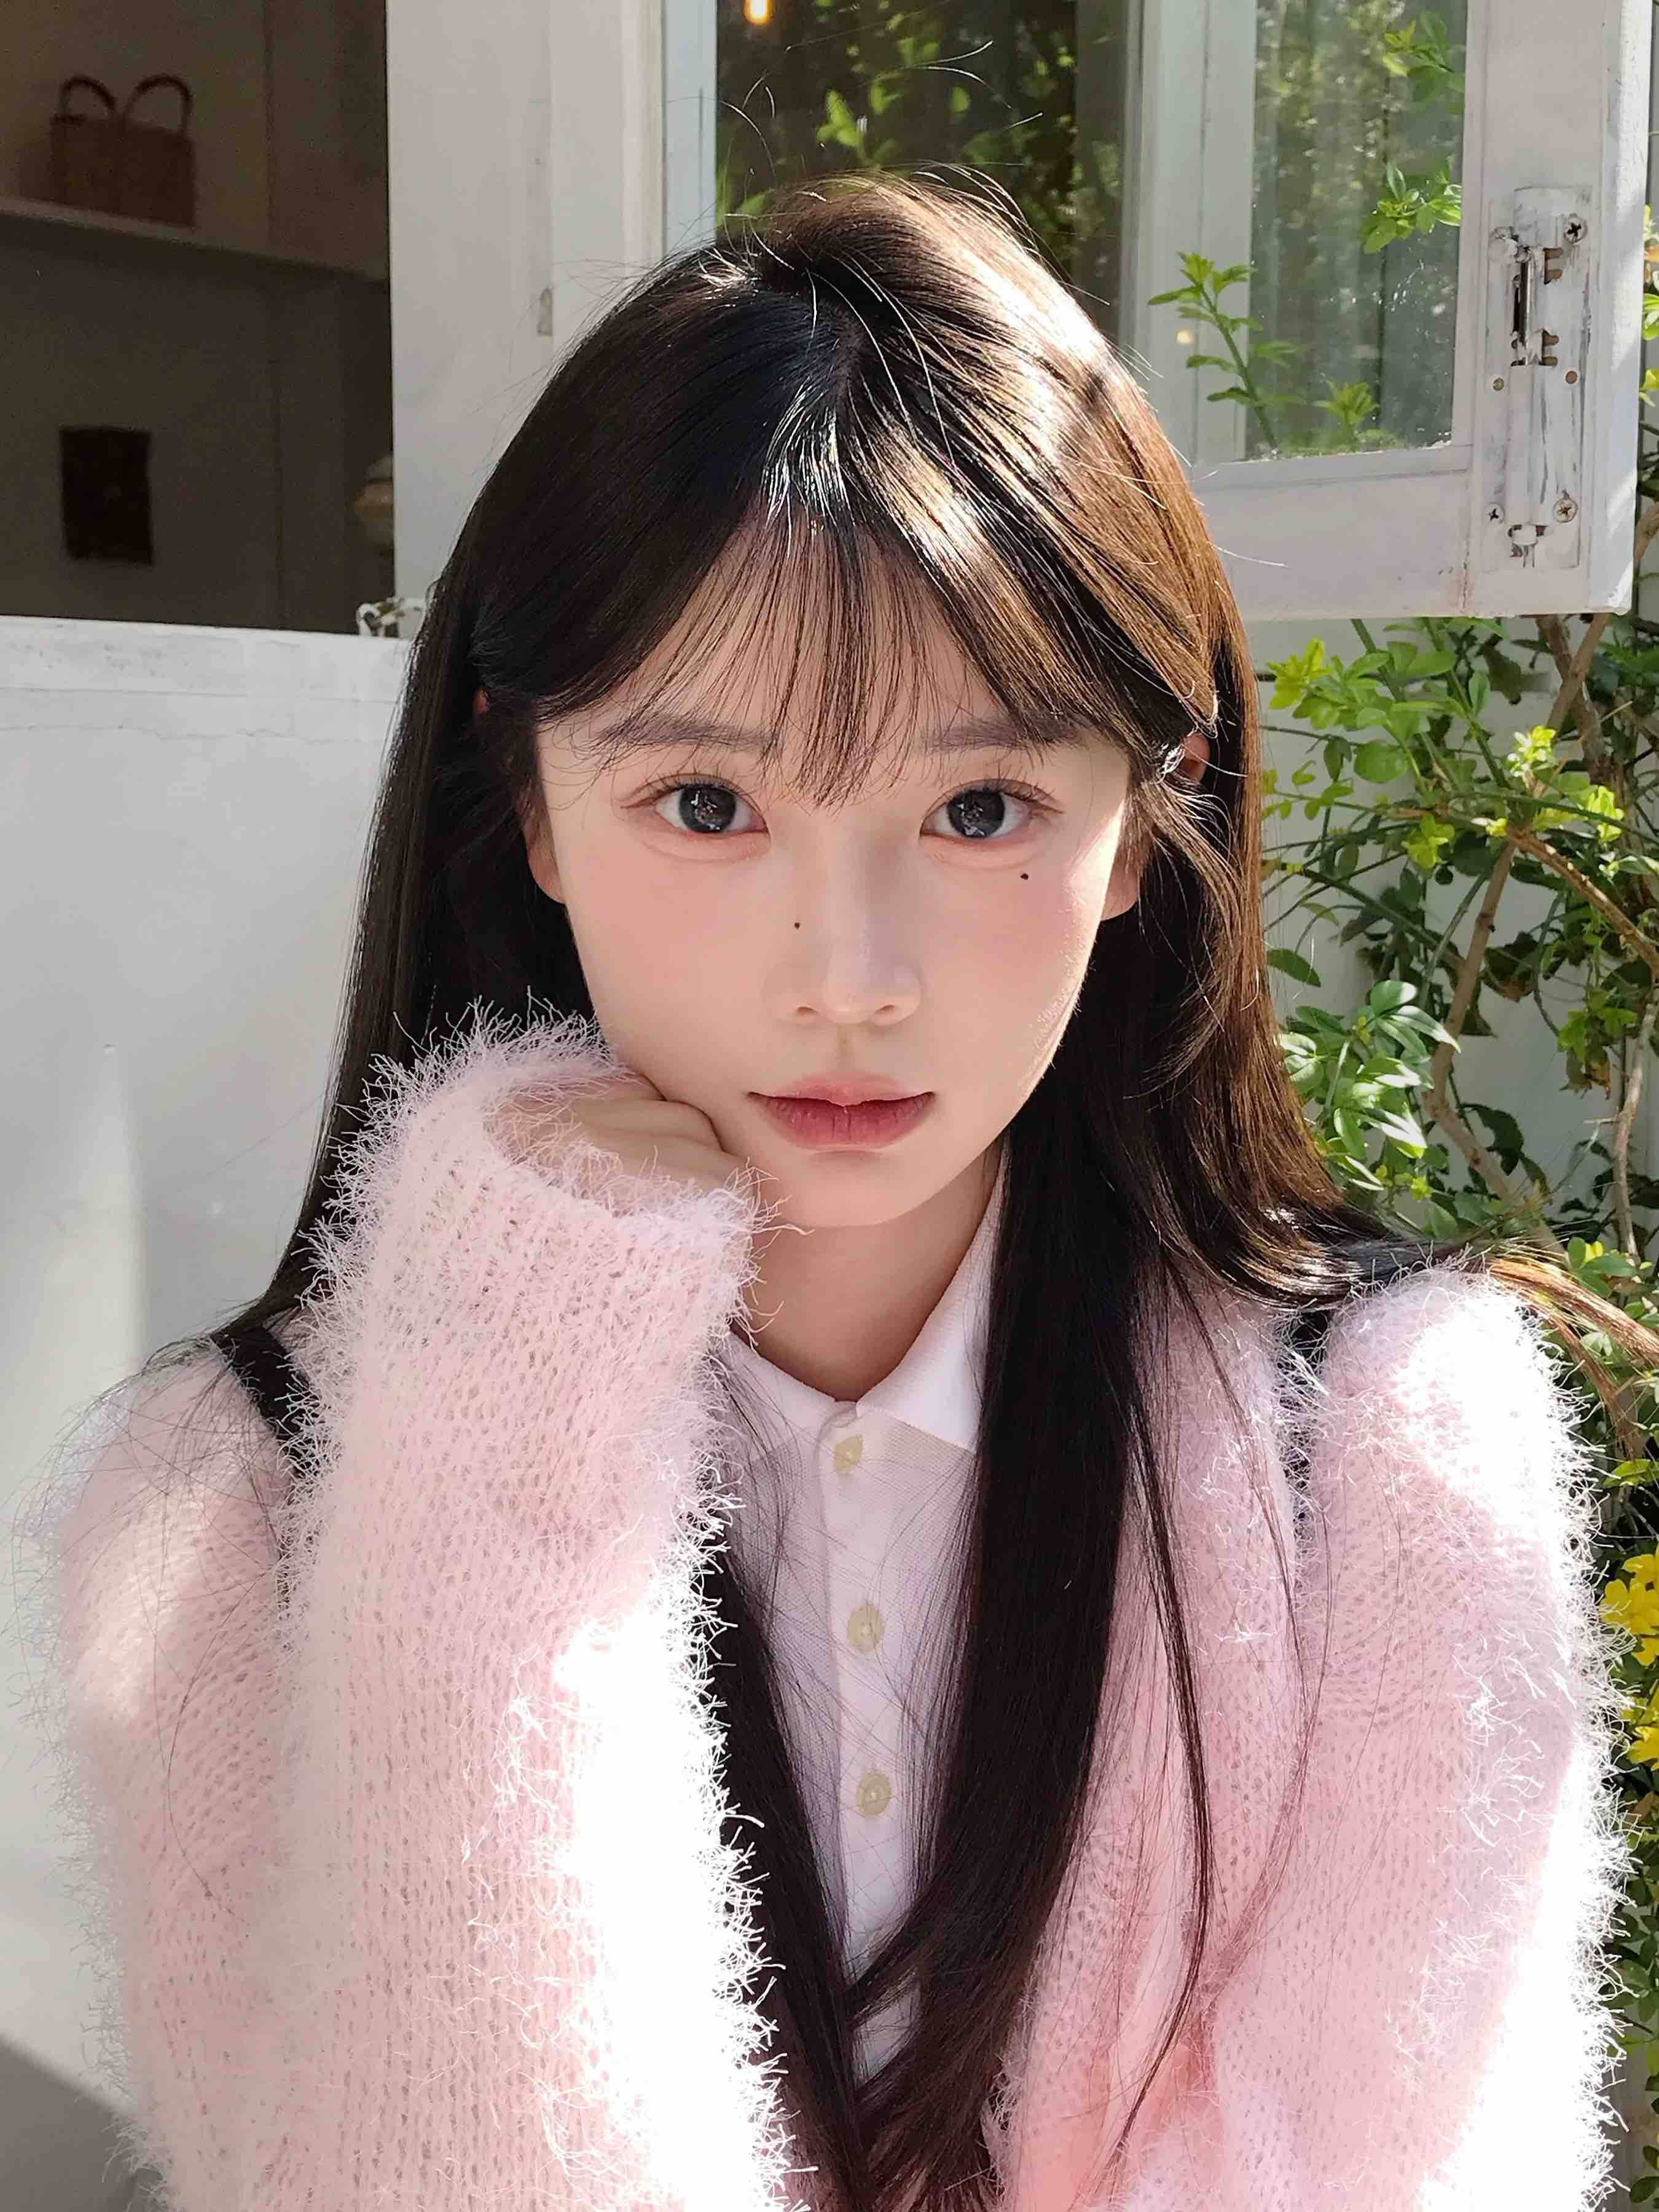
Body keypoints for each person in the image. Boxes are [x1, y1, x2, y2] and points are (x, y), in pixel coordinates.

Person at [13, 171, 1649, 2212]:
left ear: (1146, 817)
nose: (849, 976)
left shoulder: (1392, 1453)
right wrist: (500, 1412)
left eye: (981, 806)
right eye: (706, 802)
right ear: (529, 805)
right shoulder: (222, 1501)